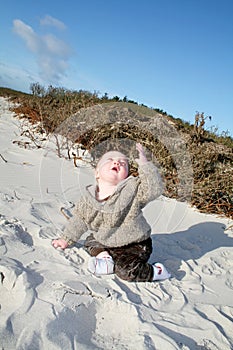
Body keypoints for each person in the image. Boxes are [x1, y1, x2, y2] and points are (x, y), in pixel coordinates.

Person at [52, 143, 170, 282]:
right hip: (107, 241)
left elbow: (154, 189)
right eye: (109, 160)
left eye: (123, 163)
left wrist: (145, 165)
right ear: (97, 172)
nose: (116, 162)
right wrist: (66, 239)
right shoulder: (88, 198)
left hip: (135, 245)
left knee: (125, 270)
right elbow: (80, 220)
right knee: (90, 241)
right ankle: (105, 259)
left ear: (126, 175)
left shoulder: (133, 189)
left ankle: (157, 272)